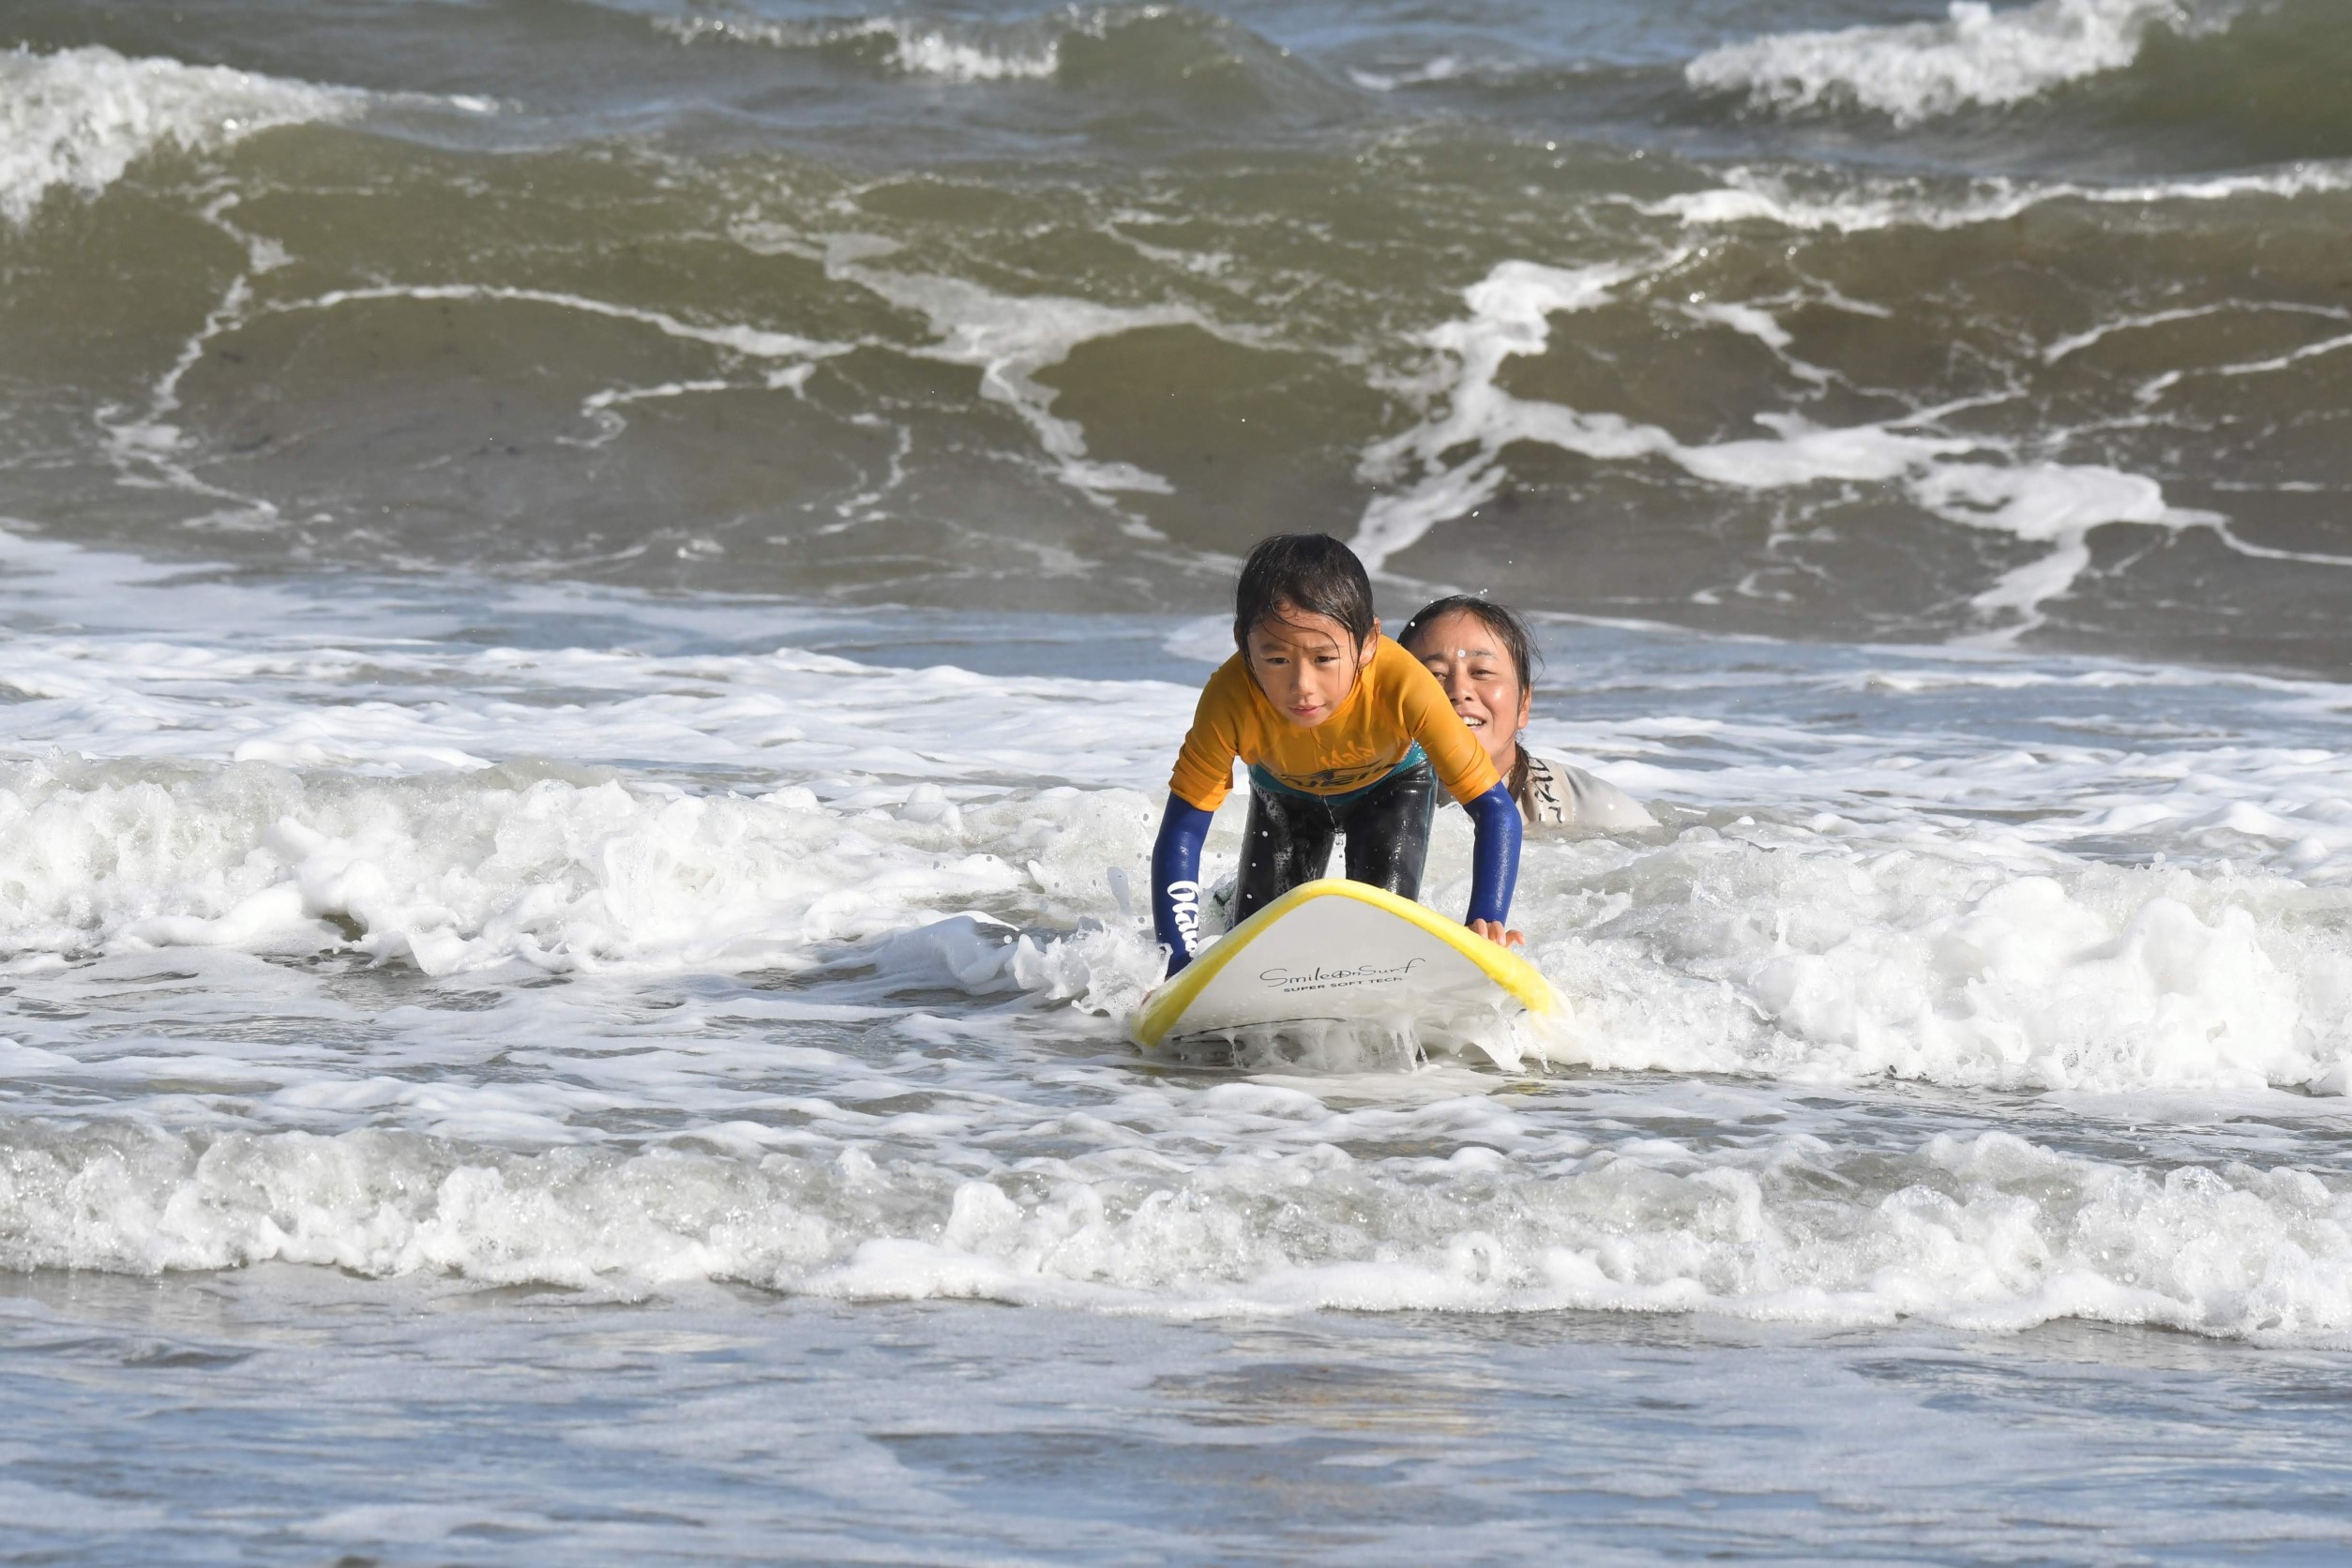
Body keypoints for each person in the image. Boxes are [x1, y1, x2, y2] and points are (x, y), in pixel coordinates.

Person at [1150, 535, 1522, 975]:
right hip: (1285, 793)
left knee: (1381, 940)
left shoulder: (1404, 684)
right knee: (1257, 944)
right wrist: (1176, 961)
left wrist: (1485, 922)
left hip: (1391, 789)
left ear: (1368, 644)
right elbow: (1183, 832)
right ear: (1243, 646)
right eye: (1276, 660)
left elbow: (1496, 810)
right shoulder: (1228, 700)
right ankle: (1230, 901)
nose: (1302, 687)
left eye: (1324, 658)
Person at [1398, 595, 1657, 832]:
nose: (1459, 690)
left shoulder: (1593, 810)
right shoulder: (1376, 804)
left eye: (1482, 672)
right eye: (1435, 675)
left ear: (1523, 703)